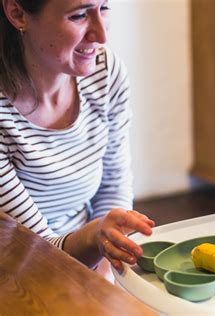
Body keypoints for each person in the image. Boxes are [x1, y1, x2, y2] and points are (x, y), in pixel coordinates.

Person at [0, 0, 154, 274]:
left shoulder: (105, 72)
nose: (102, 35)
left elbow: (113, 189)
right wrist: (96, 239)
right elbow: (38, 254)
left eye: (104, 8)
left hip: (85, 263)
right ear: (17, 12)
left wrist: (107, 263)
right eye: (80, 15)